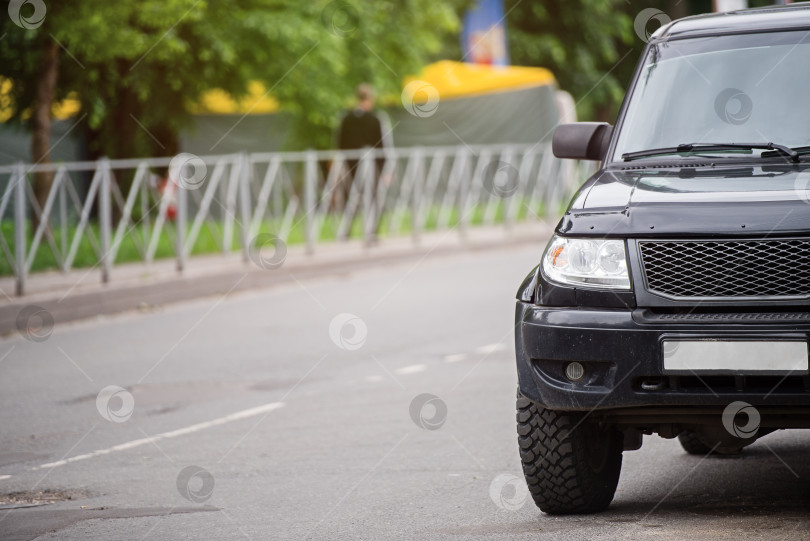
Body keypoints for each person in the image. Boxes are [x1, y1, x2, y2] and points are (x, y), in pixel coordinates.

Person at [337, 83, 392, 241]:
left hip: (351, 166)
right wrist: (385, 169)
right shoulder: (375, 118)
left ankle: (346, 231)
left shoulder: (346, 118)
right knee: (374, 198)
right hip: (373, 166)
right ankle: (372, 231)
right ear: (370, 98)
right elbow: (382, 145)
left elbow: (340, 144)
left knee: (353, 197)